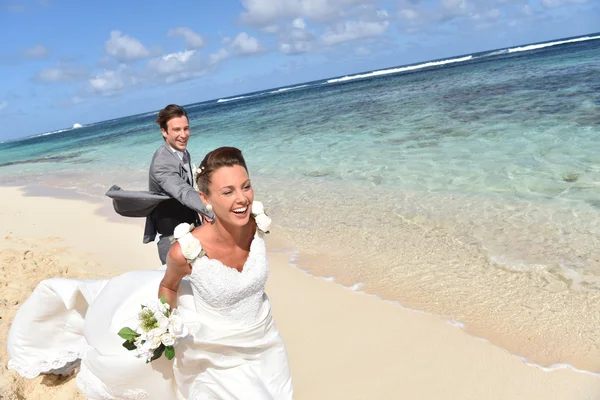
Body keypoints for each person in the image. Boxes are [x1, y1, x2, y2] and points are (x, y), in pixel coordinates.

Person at [6, 147, 294, 400]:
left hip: (265, 340)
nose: (242, 198)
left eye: (246, 186)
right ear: (205, 198)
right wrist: (164, 327)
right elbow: (169, 287)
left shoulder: (256, 224)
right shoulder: (185, 251)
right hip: (214, 352)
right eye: (228, 191)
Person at [145, 104, 213, 264]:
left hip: (191, 231)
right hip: (172, 239)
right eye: (176, 130)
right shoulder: (162, 161)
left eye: (186, 128)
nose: (183, 135)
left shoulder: (182, 153)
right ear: (164, 131)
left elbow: (189, 187)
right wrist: (213, 211)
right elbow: (183, 191)